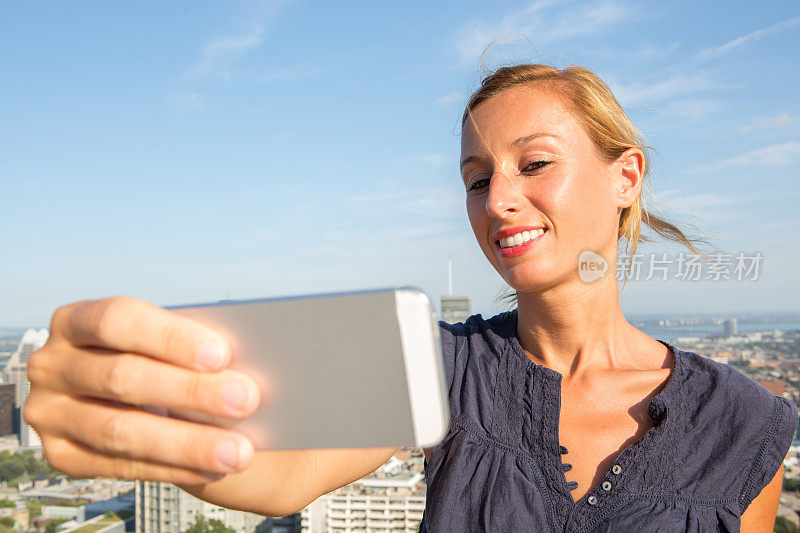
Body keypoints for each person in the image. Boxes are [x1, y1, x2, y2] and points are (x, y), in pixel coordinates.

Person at [24, 63, 797, 532]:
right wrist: (137, 415)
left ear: (624, 176)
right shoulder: (441, 365)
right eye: (475, 178)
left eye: (533, 163)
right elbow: (280, 475)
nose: (498, 199)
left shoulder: (745, 419)